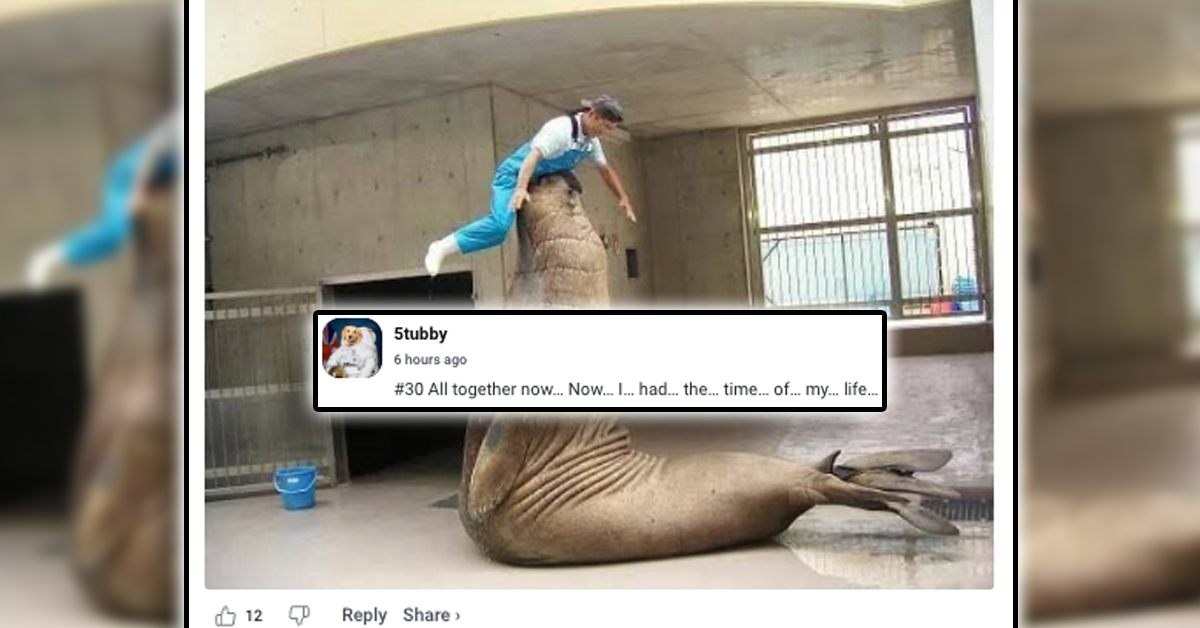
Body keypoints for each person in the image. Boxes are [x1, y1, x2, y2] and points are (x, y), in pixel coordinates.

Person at [424, 95, 636, 276]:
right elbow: (531, 158)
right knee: (499, 227)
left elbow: (605, 170)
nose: (605, 132)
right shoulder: (560, 129)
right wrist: (520, 188)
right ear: (592, 114)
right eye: (605, 126)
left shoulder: (591, 142)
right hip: (515, 175)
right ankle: (443, 246)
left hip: (544, 176)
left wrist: (623, 197)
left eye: (610, 129)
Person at [25, 111, 179, 287]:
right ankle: (49, 257)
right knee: (113, 235)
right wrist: (138, 192)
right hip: (126, 175)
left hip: (152, 182)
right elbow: (153, 150)